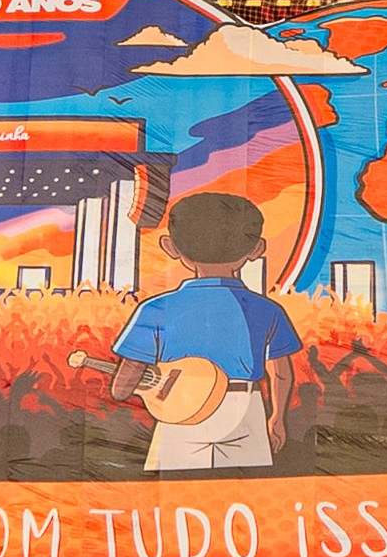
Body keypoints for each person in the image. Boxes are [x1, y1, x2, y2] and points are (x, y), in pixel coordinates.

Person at [96, 192, 304, 471]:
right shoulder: (266, 310)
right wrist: (277, 418)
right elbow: (279, 372)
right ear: (256, 249)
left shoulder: (155, 309)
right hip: (246, 411)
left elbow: (123, 386)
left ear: (170, 246)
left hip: (178, 412)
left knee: (175, 494)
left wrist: (149, 386)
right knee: (247, 496)